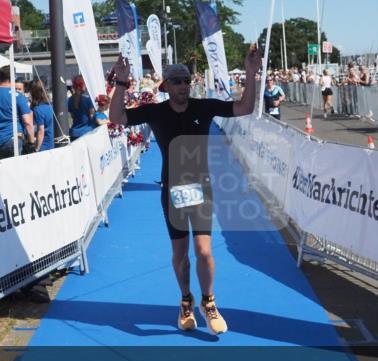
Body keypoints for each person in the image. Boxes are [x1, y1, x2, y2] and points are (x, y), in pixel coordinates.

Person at [108, 47, 262, 335]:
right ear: (166, 85)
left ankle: (209, 301)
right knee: (180, 253)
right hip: (172, 190)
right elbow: (117, 117)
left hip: (201, 189)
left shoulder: (204, 107)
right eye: (177, 81)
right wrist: (121, 82)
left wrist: (251, 74)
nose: (182, 85)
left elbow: (244, 108)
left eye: (186, 81)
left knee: (204, 251)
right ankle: (186, 301)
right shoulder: (155, 111)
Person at [0, 66, 35, 160]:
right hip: (14, 140)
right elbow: (27, 122)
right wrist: (31, 143)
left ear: (0, 77)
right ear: (13, 77)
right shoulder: (17, 96)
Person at [67, 75, 97, 141]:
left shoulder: (69, 100)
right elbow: (92, 117)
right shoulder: (88, 100)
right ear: (82, 85)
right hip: (87, 133)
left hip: (74, 133)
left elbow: (72, 115)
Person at [29, 80, 55, 152]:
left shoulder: (37, 110)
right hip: (51, 143)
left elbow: (41, 131)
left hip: (43, 146)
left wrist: (36, 149)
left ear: (33, 92)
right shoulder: (50, 106)